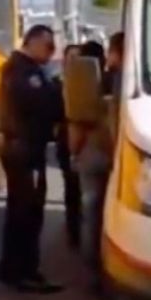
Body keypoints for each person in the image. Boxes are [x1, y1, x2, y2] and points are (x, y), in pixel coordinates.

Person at [0, 24, 63, 294]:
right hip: (24, 149)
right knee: (27, 214)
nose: (51, 52)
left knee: (22, 211)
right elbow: (47, 106)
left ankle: (14, 269)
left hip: (25, 148)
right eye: (48, 46)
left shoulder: (24, 69)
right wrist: (56, 89)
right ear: (32, 42)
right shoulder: (22, 71)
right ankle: (23, 272)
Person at [67, 40, 113, 285]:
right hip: (117, 154)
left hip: (92, 153)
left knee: (91, 212)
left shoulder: (82, 85)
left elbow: (77, 127)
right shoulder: (120, 80)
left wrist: (74, 153)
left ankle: (93, 270)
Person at [53, 43, 83, 251]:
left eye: (77, 58)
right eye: (69, 57)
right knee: (71, 187)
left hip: (84, 142)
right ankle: (74, 231)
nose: (73, 61)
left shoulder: (89, 83)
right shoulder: (55, 83)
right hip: (64, 141)